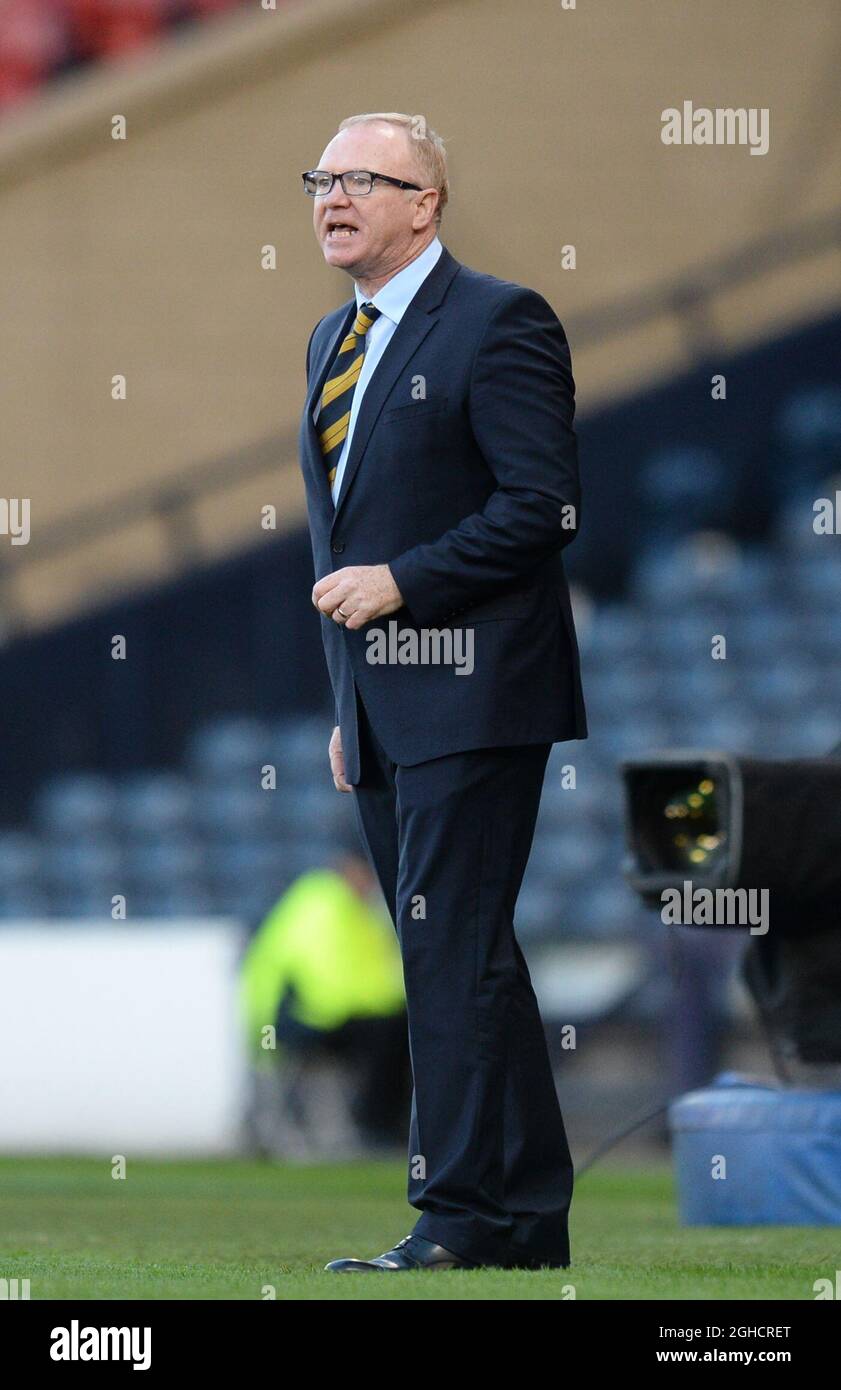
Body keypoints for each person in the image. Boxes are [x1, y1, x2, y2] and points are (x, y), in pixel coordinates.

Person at [298, 112, 587, 1272]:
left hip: (476, 688)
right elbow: (341, 537)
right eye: (321, 178)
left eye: (362, 178)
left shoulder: (501, 320)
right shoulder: (331, 336)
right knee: (470, 951)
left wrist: (405, 585)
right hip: (382, 704)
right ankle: (525, 1215)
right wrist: (346, 705)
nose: (332, 195)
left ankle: (457, 1212)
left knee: (446, 945)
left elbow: (544, 507)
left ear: (426, 203)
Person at [240, 853, 408, 1151]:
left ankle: (386, 1125)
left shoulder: (354, 908)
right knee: (391, 1032)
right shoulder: (323, 904)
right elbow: (327, 981)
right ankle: (377, 1128)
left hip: (325, 1014)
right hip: (298, 1019)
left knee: (401, 1029)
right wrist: (390, 1004)